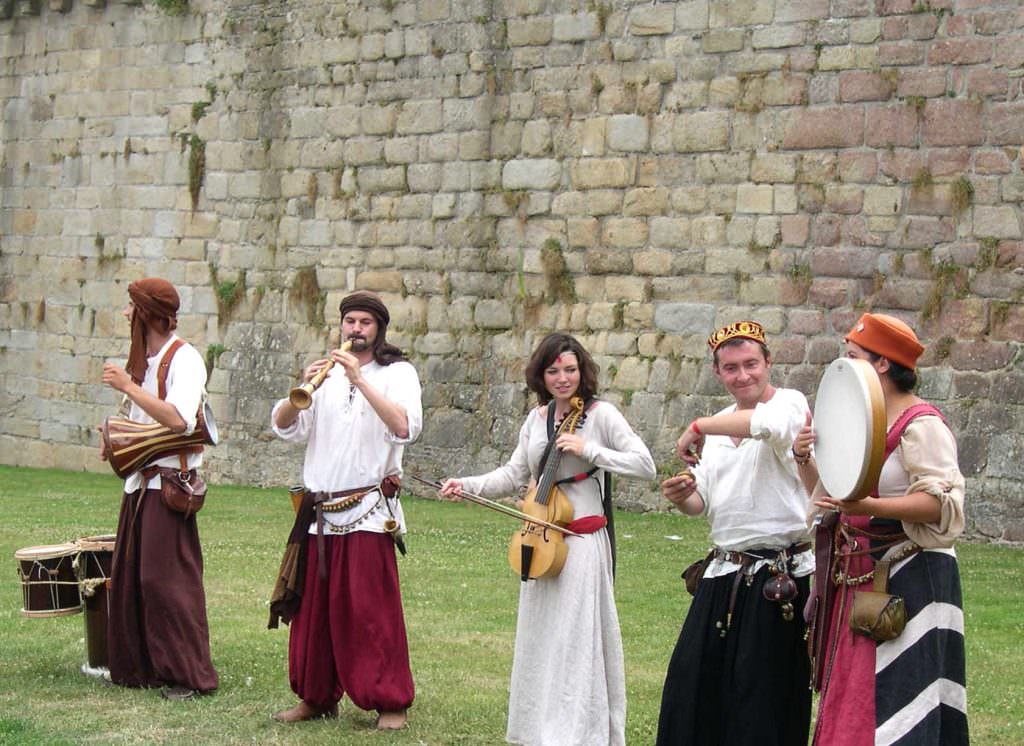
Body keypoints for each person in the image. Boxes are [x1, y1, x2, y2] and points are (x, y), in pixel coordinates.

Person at [440, 332, 655, 746]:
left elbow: (644, 464)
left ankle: (577, 735)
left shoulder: (601, 415)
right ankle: (538, 731)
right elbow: (512, 475)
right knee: (541, 639)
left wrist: (591, 450)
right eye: (553, 370)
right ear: (541, 374)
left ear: (582, 371)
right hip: (540, 542)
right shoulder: (536, 419)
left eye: (570, 369)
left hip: (582, 542)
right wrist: (466, 485)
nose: (562, 377)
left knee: (575, 641)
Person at [801, 313, 968, 745]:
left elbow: (938, 503)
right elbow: (833, 496)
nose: (845, 361)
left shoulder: (921, 424)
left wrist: (871, 506)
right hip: (860, 573)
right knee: (854, 691)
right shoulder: (860, 420)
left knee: (902, 695)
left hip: (910, 574)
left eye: (854, 355)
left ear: (881, 364)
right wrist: (806, 460)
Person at [269, 290, 422, 730]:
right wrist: (298, 388)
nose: (355, 330)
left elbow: (404, 427)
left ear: (379, 329)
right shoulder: (325, 376)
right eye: (349, 321)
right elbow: (285, 428)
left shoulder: (399, 374)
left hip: (369, 512)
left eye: (364, 323)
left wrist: (360, 380)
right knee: (313, 614)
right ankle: (315, 696)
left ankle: (390, 702)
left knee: (370, 612)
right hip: (319, 513)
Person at [656, 320, 814, 746]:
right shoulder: (720, 423)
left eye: (751, 364)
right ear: (718, 372)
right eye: (731, 368)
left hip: (780, 578)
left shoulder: (790, 405)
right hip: (724, 573)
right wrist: (681, 495)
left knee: (761, 696)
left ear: (768, 363)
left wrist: (699, 426)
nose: (742, 375)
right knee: (691, 686)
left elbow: (769, 428)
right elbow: (701, 503)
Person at [102, 277, 218, 700]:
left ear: (147, 314)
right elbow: (143, 426)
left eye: (131, 308)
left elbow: (180, 420)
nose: (125, 314)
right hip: (140, 484)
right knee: (132, 576)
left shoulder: (184, 359)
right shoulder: (148, 362)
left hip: (169, 485)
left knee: (167, 582)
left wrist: (128, 386)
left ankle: (189, 675)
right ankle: (141, 667)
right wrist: (115, 440)